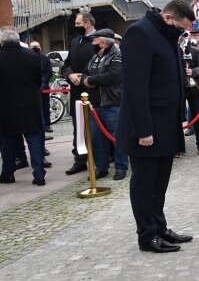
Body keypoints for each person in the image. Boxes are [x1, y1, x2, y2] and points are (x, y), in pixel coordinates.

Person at [116, 1, 195, 253]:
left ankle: (159, 228)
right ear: (169, 17)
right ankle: (147, 236)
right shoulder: (140, 33)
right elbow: (135, 87)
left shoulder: (164, 33)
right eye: (182, 28)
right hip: (147, 127)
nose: (183, 33)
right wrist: (143, 130)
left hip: (165, 124)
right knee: (145, 184)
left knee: (159, 183)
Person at [0, 27, 46, 186]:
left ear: (2, 41)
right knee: (34, 141)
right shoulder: (32, 56)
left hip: (6, 108)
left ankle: (7, 174)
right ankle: (39, 176)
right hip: (30, 105)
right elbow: (38, 81)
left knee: (8, 144)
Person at [82, 28, 129, 180]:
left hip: (112, 104)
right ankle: (101, 168)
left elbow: (114, 76)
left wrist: (91, 80)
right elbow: (85, 72)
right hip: (94, 106)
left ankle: (121, 167)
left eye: (94, 40)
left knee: (117, 137)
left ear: (102, 42)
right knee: (96, 139)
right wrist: (85, 79)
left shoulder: (118, 55)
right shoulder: (96, 57)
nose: (92, 43)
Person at [61, 11, 98, 175]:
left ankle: (102, 157)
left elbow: (104, 66)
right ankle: (80, 159)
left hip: (94, 90)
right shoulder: (75, 41)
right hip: (76, 91)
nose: (75, 27)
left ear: (88, 23)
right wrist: (69, 74)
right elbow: (67, 64)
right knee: (79, 126)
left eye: (78, 24)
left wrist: (83, 77)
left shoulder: (100, 40)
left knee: (97, 125)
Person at [179, 32, 199, 155]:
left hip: (193, 87)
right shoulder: (173, 51)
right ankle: (179, 147)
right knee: (178, 118)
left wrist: (193, 71)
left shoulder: (195, 51)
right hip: (179, 88)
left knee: (197, 117)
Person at [29, 41, 54, 134]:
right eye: (33, 47)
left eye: (36, 46)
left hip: (44, 86)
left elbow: (49, 72)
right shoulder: (28, 58)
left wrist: (43, 81)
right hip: (33, 86)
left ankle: (47, 124)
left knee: (45, 106)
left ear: (40, 47)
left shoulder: (45, 58)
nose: (35, 48)